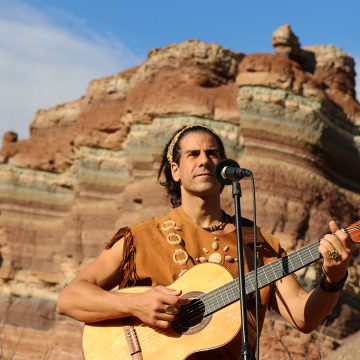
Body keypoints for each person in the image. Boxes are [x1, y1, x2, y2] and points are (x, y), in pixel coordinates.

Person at [56, 125, 353, 359]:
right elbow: (71, 298)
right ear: (176, 170)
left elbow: (304, 316)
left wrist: (334, 277)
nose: (204, 161)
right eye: (193, 154)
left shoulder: (257, 242)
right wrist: (136, 304)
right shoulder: (140, 237)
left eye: (212, 154)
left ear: (225, 168)